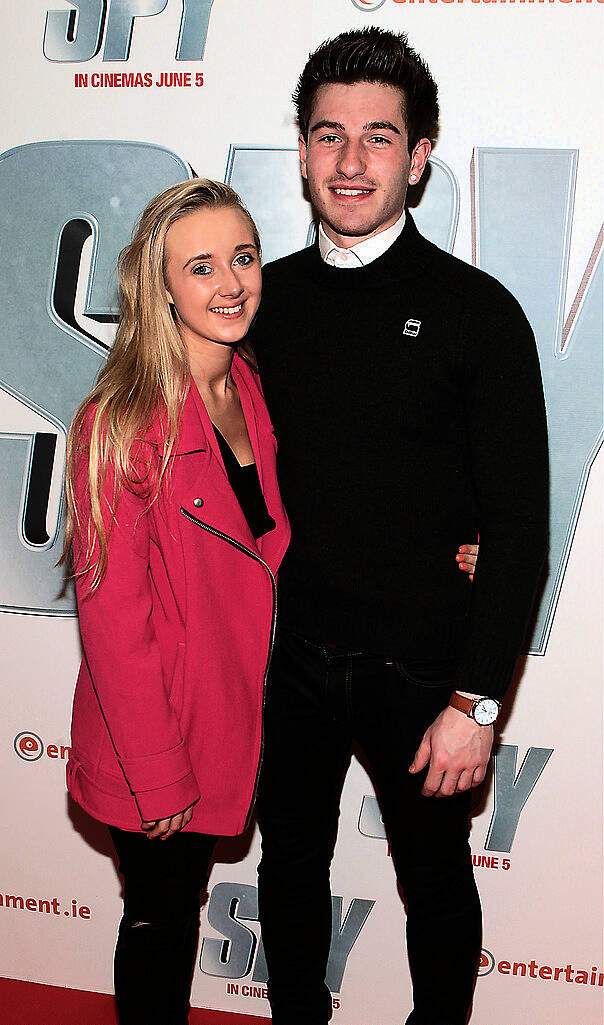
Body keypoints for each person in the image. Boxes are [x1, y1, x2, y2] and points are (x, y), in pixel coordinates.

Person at [250, 28, 549, 1025]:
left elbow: (516, 524)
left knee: (433, 877)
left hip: (424, 672)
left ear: (417, 157)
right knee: (288, 861)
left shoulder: (476, 313)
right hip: (286, 657)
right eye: (328, 135)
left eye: (377, 137)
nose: (349, 161)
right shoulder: (256, 305)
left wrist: (478, 701)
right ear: (300, 151)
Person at [62, 179, 290, 1025]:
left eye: (243, 257)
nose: (231, 283)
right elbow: (114, 627)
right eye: (201, 267)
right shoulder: (119, 423)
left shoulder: (249, 391)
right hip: (155, 737)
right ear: (159, 287)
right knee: (158, 927)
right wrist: (160, 777)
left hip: (231, 713)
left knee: (174, 916)